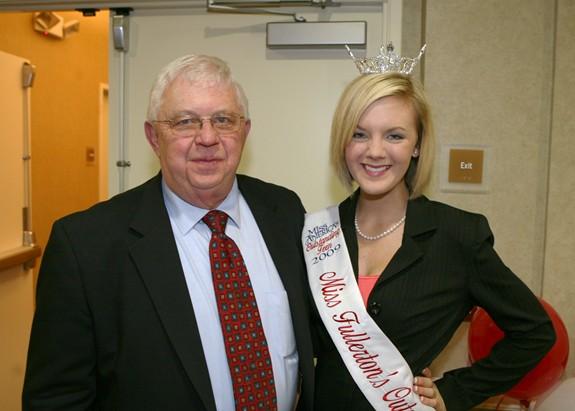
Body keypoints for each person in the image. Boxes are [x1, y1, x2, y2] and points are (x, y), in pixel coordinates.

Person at [23, 54, 315, 411]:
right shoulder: (85, 247)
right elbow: (56, 398)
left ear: (245, 131)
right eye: (185, 122)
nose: (207, 138)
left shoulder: (285, 213)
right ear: (153, 137)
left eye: (223, 120)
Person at [302, 45, 556, 411]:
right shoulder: (315, 233)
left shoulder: (457, 235)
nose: (375, 151)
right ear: (343, 142)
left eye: (394, 135)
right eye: (359, 134)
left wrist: (455, 392)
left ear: (417, 145)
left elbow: (536, 332)